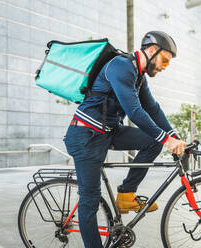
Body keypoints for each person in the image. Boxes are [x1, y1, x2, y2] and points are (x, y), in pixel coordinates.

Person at [63, 31, 188, 248]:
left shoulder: (139, 75)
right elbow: (134, 111)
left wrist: (174, 138)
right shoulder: (121, 66)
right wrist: (167, 140)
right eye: (165, 60)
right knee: (90, 200)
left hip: (108, 131)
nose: (165, 66)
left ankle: (126, 194)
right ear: (151, 51)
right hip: (86, 136)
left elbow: (153, 109)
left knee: (153, 141)